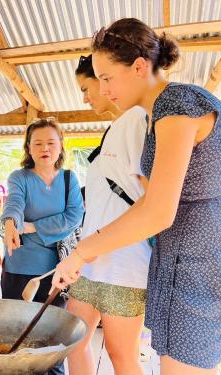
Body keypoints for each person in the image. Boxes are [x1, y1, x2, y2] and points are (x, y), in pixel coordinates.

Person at [53, 18, 221, 375]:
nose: (103, 87)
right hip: (176, 263)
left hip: (202, 264)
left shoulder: (177, 102)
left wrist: (83, 251)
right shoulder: (155, 114)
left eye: (107, 77)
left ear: (140, 67)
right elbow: (150, 199)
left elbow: (158, 212)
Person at [65, 54, 151, 375]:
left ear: (105, 80)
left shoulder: (137, 119)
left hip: (125, 264)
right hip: (90, 264)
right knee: (72, 340)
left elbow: (150, 198)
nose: (84, 97)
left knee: (121, 354)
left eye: (87, 87)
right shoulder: (115, 127)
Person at [0, 118, 84, 375]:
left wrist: (32, 227)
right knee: (16, 336)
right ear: (29, 148)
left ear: (60, 146)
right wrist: (13, 222)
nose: (44, 148)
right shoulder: (20, 177)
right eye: (37, 143)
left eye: (50, 142)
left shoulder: (69, 179)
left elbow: (74, 217)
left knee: (52, 340)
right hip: (19, 266)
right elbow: (13, 202)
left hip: (55, 271)